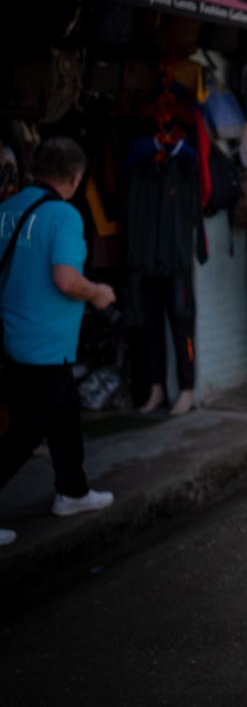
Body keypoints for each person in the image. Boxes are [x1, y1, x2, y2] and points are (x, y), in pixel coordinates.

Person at [0, 138, 117, 546]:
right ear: (76, 178)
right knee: (27, 432)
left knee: (65, 414)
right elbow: (66, 280)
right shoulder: (63, 216)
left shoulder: (7, 208)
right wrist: (98, 292)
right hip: (43, 342)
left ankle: (73, 490)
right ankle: (72, 490)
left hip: (13, 337)